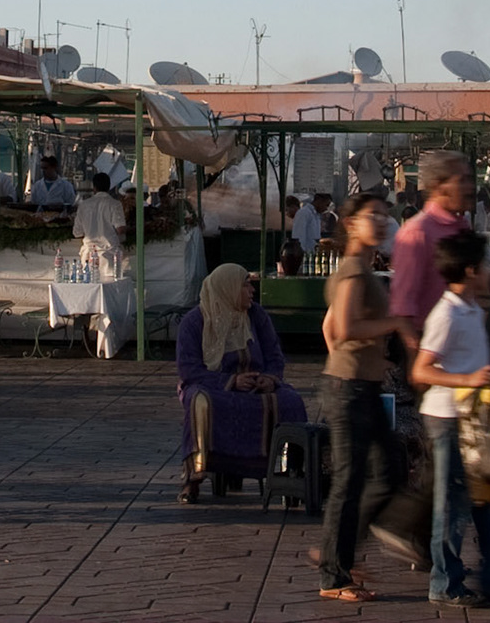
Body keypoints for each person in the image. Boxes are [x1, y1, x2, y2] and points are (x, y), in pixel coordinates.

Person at [412, 230, 490, 608]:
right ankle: (444, 582)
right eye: (487, 265)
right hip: (448, 417)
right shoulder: (446, 313)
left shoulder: (472, 307)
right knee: (454, 504)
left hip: (478, 414)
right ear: (471, 269)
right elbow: (422, 371)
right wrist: (467, 379)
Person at [316, 192, 416, 602]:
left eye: (383, 215)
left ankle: (338, 554)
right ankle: (333, 577)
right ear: (351, 223)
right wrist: (394, 324)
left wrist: (372, 362)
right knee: (349, 480)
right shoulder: (355, 270)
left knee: (389, 469)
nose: (380, 221)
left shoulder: (364, 269)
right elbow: (343, 328)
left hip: (361, 383)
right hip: (350, 389)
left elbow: (329, 329)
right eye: (371, 215)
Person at [175, 263, 306, 503]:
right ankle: (193, 479)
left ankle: (289, 472)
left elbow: (275, 357)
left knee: (291, 402)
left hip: (256, 386)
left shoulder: (257, 316)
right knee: (200, 402)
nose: (251, 290)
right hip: (213, 386)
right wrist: (231, 381)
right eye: (245, 285)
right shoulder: (195, 322)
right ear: (227, 288)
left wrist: (269, 378)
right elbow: (189, 370)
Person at [390, 151, 475, 331]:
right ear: (439, 186)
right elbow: (403, 305)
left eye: (469, 179)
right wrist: (415, 352)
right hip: (428, 343)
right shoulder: (417, 233)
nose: (470, 188)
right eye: (462, 180)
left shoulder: (462, 227)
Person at [73, 174, 127, 271]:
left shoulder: (84, 205)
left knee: (89, 285)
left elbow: (77, 233)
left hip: (88, 255)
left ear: (94, 187)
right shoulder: (114, 204)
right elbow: (120, 229)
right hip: (109, 255)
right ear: (109, 186)